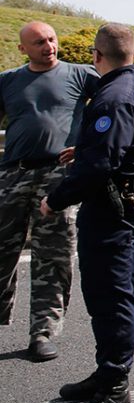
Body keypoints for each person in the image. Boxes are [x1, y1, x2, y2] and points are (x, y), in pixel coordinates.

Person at [41, 23, 134, 403]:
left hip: (113, 207)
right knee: (113, 289)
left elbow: (100, 166)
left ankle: (114, 389)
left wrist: (55, 199)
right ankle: (106, 372)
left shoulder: (112, 96)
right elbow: (130, 141)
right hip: (132, 199)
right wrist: (91, 147)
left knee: (110, 294)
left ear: (96, 56)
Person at [0, 21, 98, 362]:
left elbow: (121, 95)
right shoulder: (9, 81)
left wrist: (88, 145)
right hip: (13, 174)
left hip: (58, 177)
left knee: (53, 256)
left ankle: (42, 332)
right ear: (23, 48)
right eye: (39, 42)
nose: (49, 46)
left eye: (52, 39)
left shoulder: (80, 75)